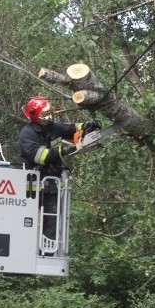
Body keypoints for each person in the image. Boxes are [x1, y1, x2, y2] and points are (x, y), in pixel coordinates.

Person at [17, 96, 100, 246]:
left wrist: (87, 126)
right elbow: (40, 157)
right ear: (37, 116)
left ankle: (48, 250)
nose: (49, 116)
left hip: (52, 185)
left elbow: (72, 128)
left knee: (52, 220)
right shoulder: (27, 134)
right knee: (29, 222)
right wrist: (64, 150)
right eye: (45, 113)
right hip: (32, 189)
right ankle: (26, 249)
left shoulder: (53, 127)